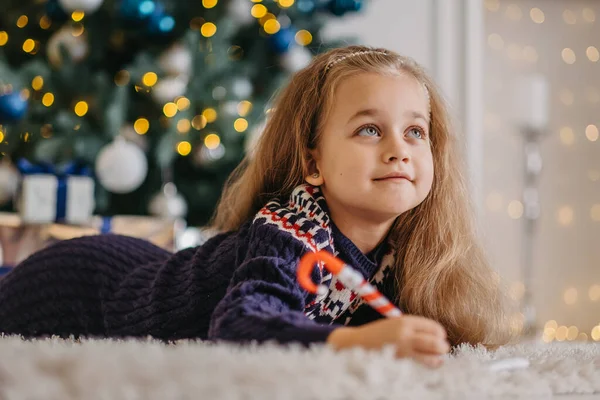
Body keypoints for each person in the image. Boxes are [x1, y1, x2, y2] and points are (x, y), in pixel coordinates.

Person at [0, 45, 516, 368]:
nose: (399, 148)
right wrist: (359, 343)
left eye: (415, 132)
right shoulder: (291, 230)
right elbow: (241, 324)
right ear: (312, 162)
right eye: (369, 129)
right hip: (83, 287)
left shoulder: (400, 253)